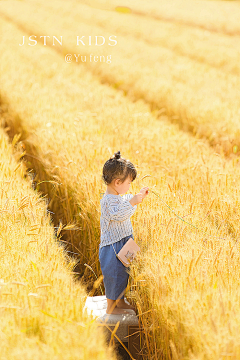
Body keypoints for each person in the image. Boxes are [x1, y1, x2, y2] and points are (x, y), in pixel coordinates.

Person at [99, 150, 149, 314]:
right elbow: (118, 214)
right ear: (117, 182)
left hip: (123, 242)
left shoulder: (117, 196)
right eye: (128, 184)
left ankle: (120, 301)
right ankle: (111, 306)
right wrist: (133, 201)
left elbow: (125, 202)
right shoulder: (107, 201)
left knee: (122, 275)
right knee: (113, 275)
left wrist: (137, 197)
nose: (129, 187)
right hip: (112, 246)